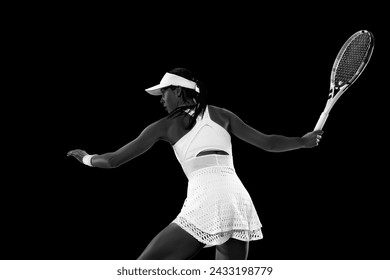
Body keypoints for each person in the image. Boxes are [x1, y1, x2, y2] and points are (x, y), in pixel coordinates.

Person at [67, 68, 323, 260]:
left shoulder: (164, 126)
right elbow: (268, 143)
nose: (161, 99)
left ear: (178, 90)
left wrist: (87, 158)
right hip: (238, 199)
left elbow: (113, 160)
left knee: (141, 269)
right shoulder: (222, 114)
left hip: (208, 198)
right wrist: (302, 141)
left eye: (164, 92)